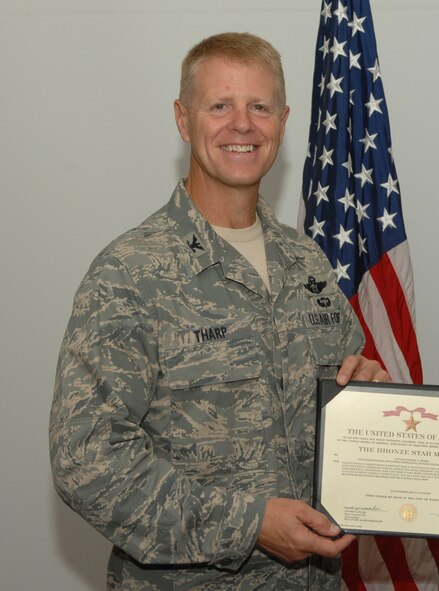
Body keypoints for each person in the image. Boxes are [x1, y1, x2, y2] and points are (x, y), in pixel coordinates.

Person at [49, 32, 387, 590]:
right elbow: (86, 461)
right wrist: (248, 526)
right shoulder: (129, 273)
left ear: (283, 121)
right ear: (183, 119)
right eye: (220, 106)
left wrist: (369, 396)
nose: (242, 125)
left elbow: (344, 394)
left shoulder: (306, 262)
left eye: (260, 107)